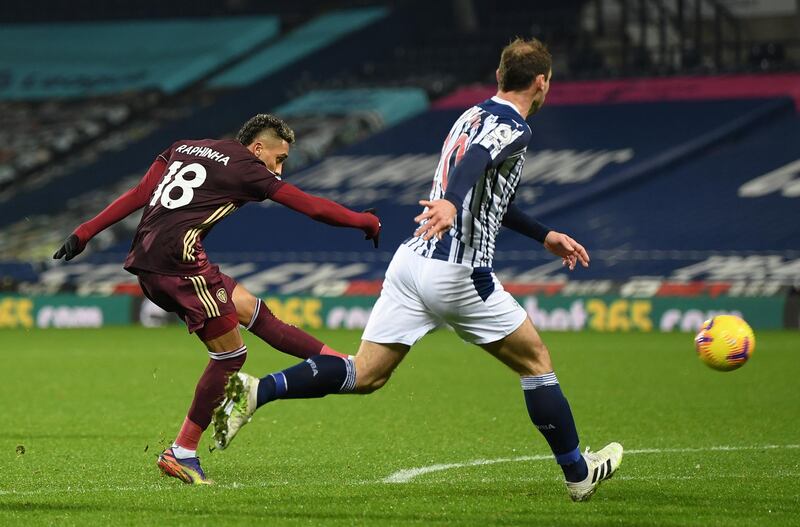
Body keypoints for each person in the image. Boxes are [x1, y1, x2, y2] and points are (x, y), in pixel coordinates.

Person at [214, 38, 622, 501]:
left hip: (411, 264)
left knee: (365, 374)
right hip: (459, 273)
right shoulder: (515, 126)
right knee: (537, 363)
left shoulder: (470, 116)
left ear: (498, 77)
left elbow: (485, 190)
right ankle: (577, 474)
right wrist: (448, 201)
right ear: (542, 82)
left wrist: (543, 234)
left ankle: (257, 391)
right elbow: (474, 164)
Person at [52, 114, 381, 485]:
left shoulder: (183, 147)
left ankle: (339, 364)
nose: (280, 168)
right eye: (279, 158)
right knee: (232, 355)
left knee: (252, 311)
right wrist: (365, 222)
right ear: (258, 148)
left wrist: (84, 232)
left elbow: (139, 194)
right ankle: (182, 451)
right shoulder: (250, 169)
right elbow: (312, 207)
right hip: (179, 265)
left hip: (153, 259)